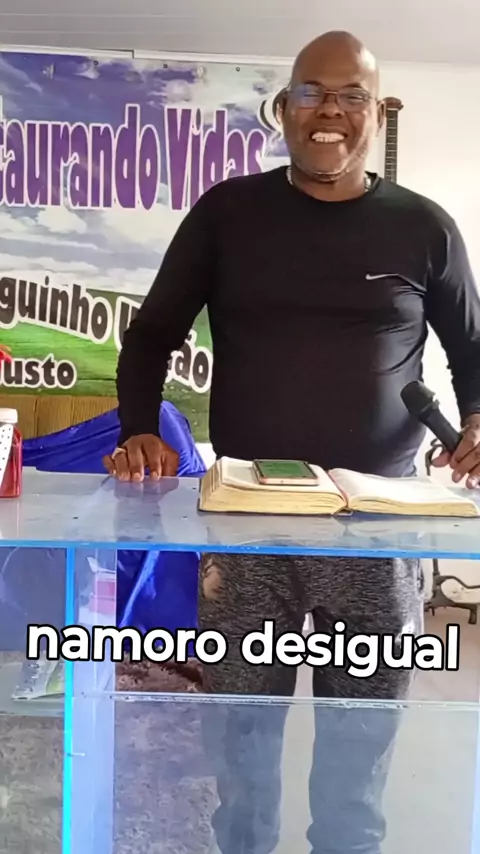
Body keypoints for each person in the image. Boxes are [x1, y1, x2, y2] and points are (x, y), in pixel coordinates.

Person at [104, 30, 480, 854]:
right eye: (311, 92)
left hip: (377, 534)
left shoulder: (425, 227)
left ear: (377, 111)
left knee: (358, 749)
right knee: (241, 741)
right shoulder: (227, 214)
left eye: (350, 96)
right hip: (248, 528)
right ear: (284, 108)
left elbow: (472, 350)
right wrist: (138, 428)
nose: (328, 112)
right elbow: (151, 335)